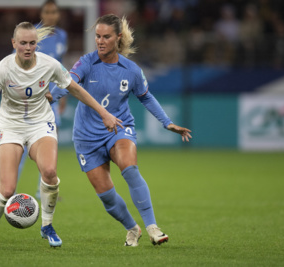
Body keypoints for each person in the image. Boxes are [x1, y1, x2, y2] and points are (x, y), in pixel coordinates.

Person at [0, 21, 122, 249]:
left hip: (41, 124)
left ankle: (47, 226)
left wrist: (103, 112)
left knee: (50, 172)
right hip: (10, 126)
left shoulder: (50, 65)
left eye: (32, 43)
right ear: (14, 43)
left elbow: (76, 89)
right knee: (8, 189)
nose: (28, 47)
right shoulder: (3, 68)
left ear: (37, 44)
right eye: (23, 43)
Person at [51, 14, 192, 247]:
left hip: (118, 127)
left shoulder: (131, 70)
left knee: (130, 168)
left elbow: (146, 97)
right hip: (86, 136)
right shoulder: (86, 62)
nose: (100, 41)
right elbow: (68, 83)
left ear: (118, 38)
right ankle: (132, 228)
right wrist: (49, 97)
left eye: (106, 37)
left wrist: (167, 122)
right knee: (106, 196)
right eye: (97, 36)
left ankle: (152, 228)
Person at [17, 0, 68, 200]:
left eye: (53, 12)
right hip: (31, 98)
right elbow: (17, 61)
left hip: (51, 98)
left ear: (58, 14)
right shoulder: (32, 35)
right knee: (21, 145)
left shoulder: (62, 36)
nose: (50, 15)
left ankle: (43, 191)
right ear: (41, 14)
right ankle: (9, 189)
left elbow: (61, 66)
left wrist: (62, 93)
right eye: (46, 12)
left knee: (49, 143)